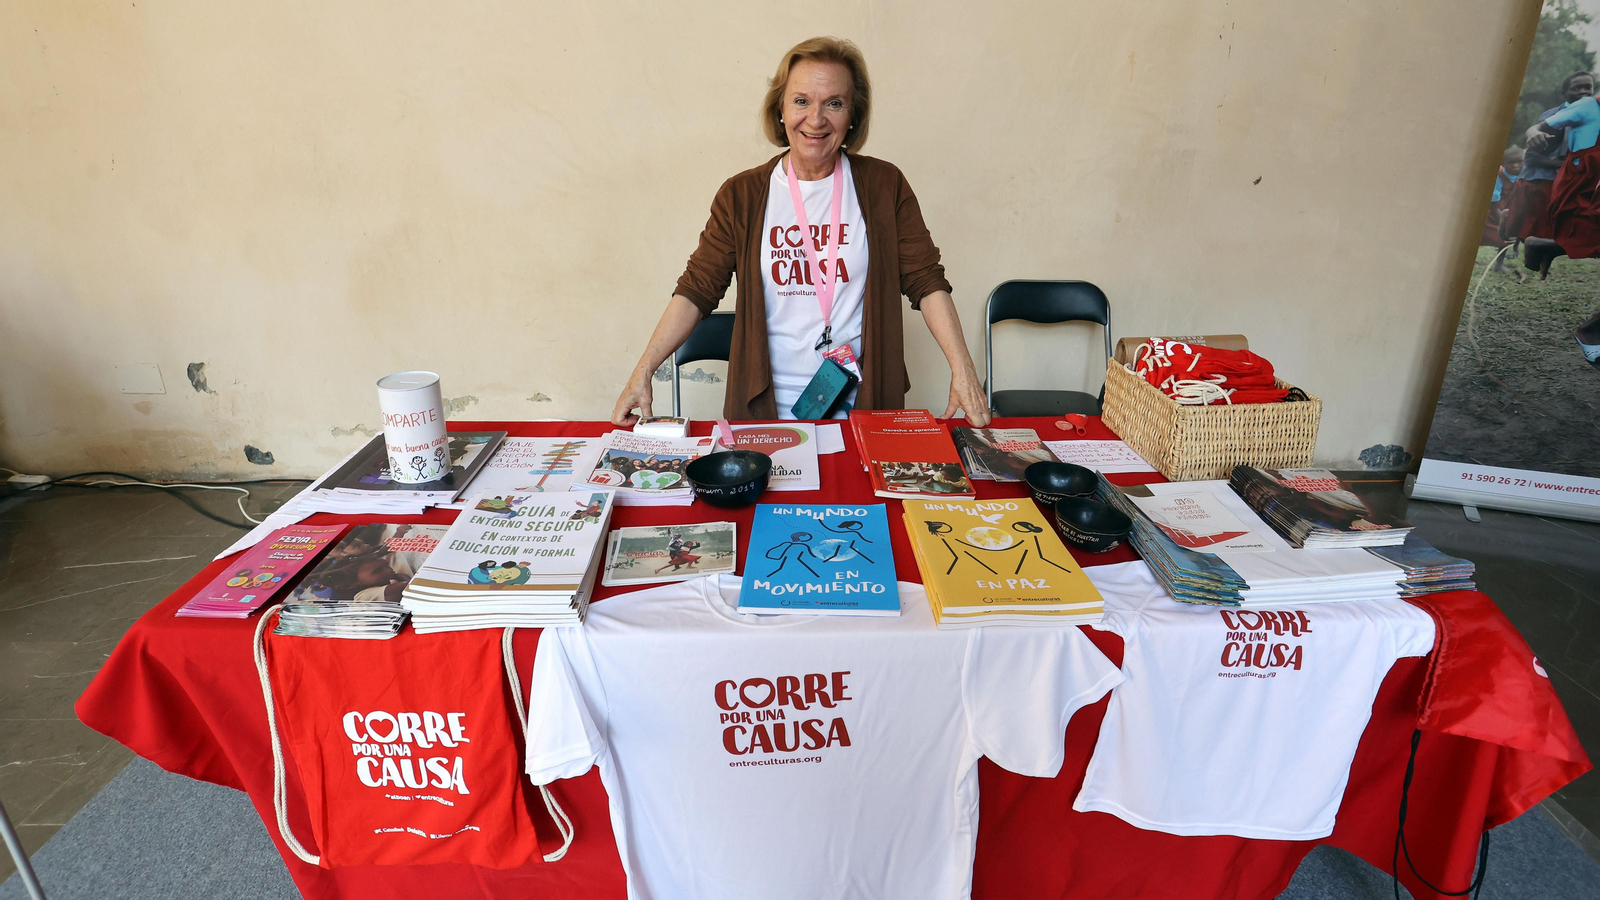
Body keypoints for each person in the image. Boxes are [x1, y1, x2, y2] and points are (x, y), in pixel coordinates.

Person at [611, 37, 991, 426]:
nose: (816, 118)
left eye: (834, 103)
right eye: (801, 101)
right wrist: (643, 370)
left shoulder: (884, 185)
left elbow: (926, 282)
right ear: (780, 109)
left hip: (865, 406)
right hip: (764, 412)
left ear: (853, 115)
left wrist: (963, 369)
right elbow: (697, 288)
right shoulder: (742, 195)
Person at [1506, 72, 1594, 253]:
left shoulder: (1593, 116)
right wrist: (1562, 165)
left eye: (1588, 87)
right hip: (1544, 176)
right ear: (1564, 93)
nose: (1583, 92)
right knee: (1538, 223)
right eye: (1576, 88)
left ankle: (1542, 253)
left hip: (1573, 177)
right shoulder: (1554, 116)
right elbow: (1532, 156)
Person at [1523, 87, 1600, 275]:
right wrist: (1533, 134)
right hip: (1581, 183)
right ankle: (1543, 245)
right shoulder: (1588, 106)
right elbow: (1538, 128)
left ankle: (1549, 247)